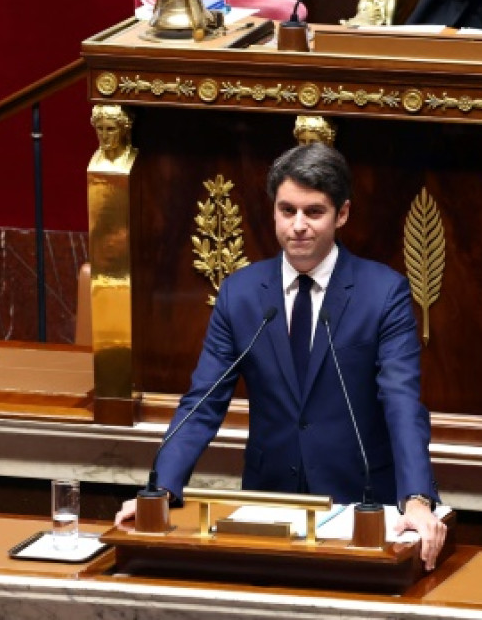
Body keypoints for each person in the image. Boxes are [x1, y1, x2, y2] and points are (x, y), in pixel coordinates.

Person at [113, 143, 447, 569]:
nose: (298, 226)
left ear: (342, 214)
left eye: (314, 212)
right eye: (287, 210)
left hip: (360, 505)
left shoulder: (384, 293)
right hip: (269, 503)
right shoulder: (242, 294)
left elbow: (402, 402)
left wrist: (417, 498)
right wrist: (159, 491)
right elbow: (203, 400)